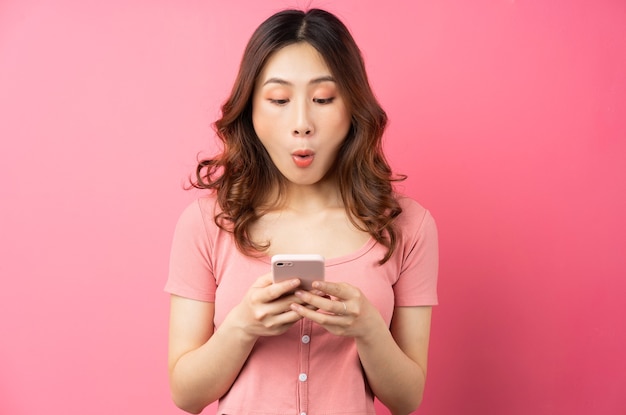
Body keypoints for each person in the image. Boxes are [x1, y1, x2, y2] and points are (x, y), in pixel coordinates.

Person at [165, 8, 438, 415]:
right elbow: (186, 396)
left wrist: (368, 331)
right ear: (251, 108)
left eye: (323, 99)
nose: (301, 123)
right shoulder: (207, 224)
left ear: (353, 107)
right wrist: (242, 326)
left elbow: (406, 399)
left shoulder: (409, 225)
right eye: (278, 99)